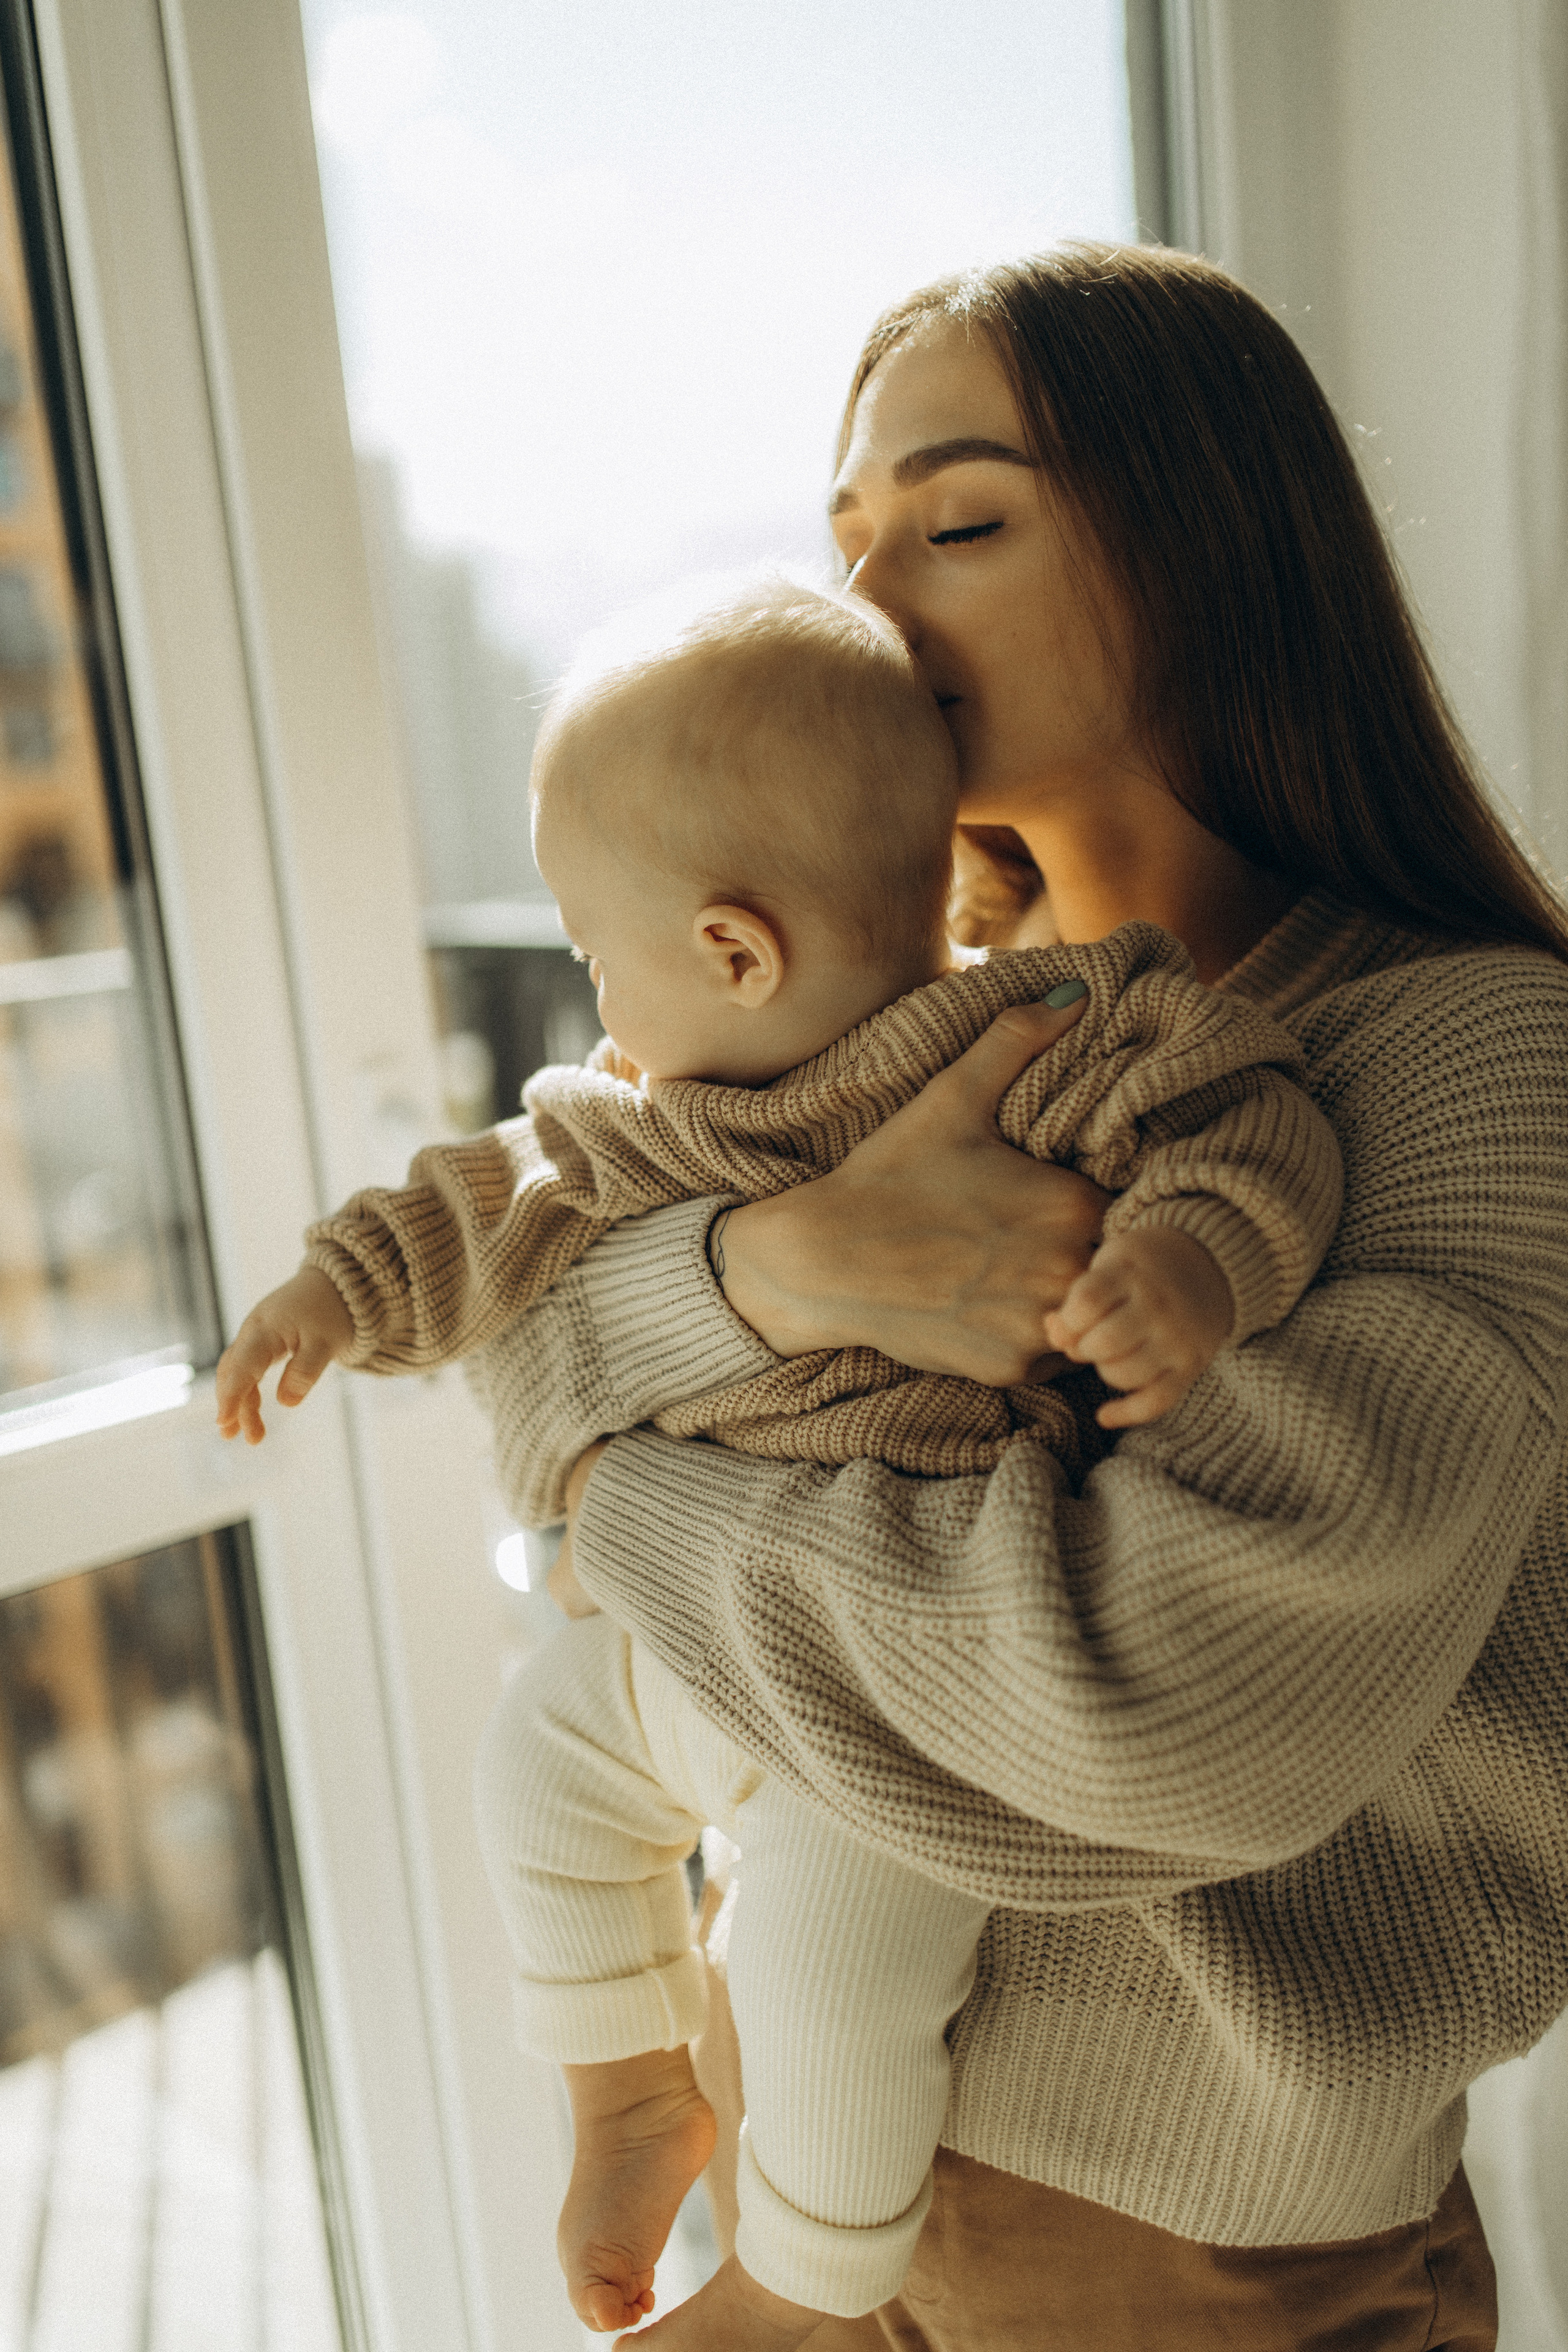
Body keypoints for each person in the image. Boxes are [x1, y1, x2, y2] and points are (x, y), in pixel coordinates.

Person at [467, 246, 1568, 2352]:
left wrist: (635, 1499)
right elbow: (517, 1340)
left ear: (1209, 553)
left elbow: (1167, 1718)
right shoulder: (912, 1037)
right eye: (847, 538)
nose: (868, 605)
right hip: (827, 2131)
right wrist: (766, 1271)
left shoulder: (1470, 1065)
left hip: (1190, 2253)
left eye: (958, 523)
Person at [214, 572, 1342, 2341]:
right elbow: (469, 1211)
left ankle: (804, 2292)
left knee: (826, 1963)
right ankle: (628, 2089)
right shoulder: (637, 1123)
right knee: (539, 1761)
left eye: (599, 951)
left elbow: (1244, 1116)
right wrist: (326, 1297)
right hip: (696, 1651)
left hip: (908, 1700)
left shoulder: (1040, 1038)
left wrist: (1194, 1261)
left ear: (733, 949)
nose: (595, 1009)